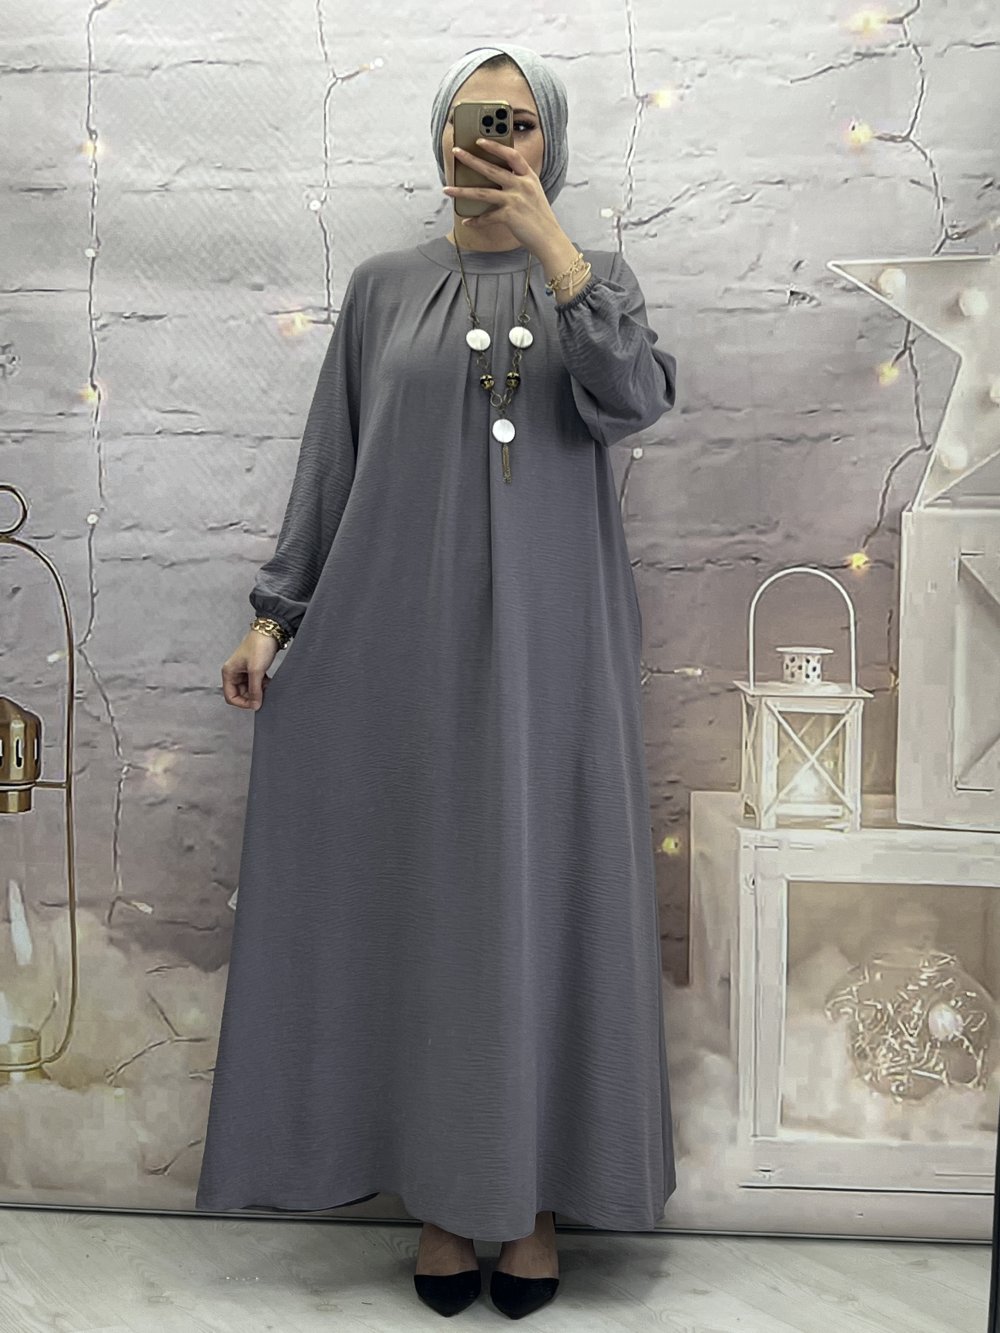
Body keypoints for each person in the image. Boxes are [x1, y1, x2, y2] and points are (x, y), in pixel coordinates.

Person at [195, 41, 678, 1322]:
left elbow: (632, 401)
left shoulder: (598, 283)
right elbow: (333, 460)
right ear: (439, 137)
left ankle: (532, 1202)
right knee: (429, 910)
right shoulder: (381, 288)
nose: (493, 138)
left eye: (517, 121)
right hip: (397, 651)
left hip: (554, 656)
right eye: (473, 119)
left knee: (537, 903)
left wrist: (552, 243)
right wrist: (273, 620)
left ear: (550, 139)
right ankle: (443, 1199)